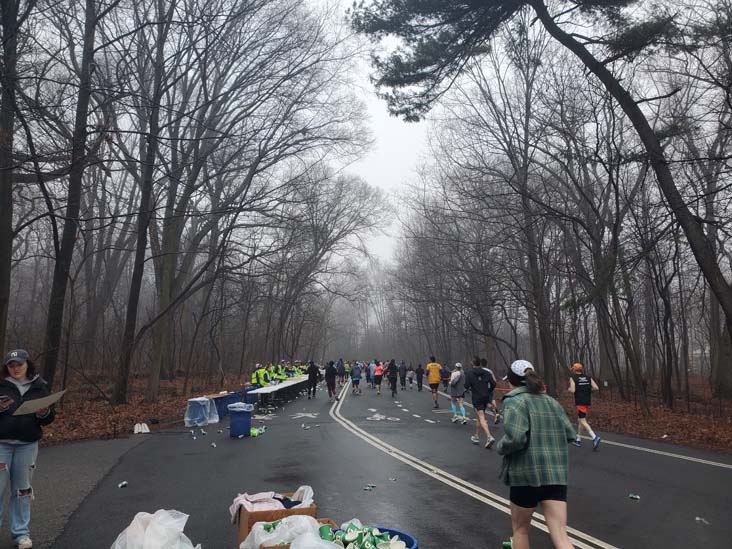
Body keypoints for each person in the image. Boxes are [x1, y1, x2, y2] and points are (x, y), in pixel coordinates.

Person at [497, 360, 576, 549]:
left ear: (513, 381)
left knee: (520, 530)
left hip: (525, 476)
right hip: (555, 475)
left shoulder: (514, 401)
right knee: (561, 536)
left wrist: (501, 446)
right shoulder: (551, 401)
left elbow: (516, 439)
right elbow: (570, 434)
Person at [0, 349, 56, 549]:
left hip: (27, 445)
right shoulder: (1, 385)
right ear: (7, 367)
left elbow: (49, 418)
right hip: (1, 445)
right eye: (11, 365)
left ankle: (21, 534)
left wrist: (44, 412)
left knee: (23, 491)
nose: (15, 368)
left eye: (19, 364)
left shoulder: (40, 387)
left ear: (27, 364)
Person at [465, 357, 497, 448]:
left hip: (477, 397)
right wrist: (488, 390)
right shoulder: (486, 373)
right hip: (485, 396)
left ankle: (489, 436)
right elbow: (494, 384)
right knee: (479, 416)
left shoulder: (470, 373)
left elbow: (466, 385)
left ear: (472, 363)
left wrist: (472, 387)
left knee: (481, 417)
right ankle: (476, 436)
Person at [569, 362, 601, 450]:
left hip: (580, 401)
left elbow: (572, 390)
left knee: (582, 421)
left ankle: (594, 437)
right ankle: (578, 440)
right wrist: (587, 389)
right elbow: (596, 388)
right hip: (587, 401)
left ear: (574, 370)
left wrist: (569, 389)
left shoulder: (573, 378)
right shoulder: (588, 377)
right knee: (580, 420)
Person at [480, 358, 501, 424]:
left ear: (480, 364)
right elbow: (494, 380)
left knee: (484, 403)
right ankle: (496, 411)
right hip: (490, 388)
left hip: (482, 389)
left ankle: (483, 419)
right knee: (491, 400)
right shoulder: (490, 371)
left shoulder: (479, 371)